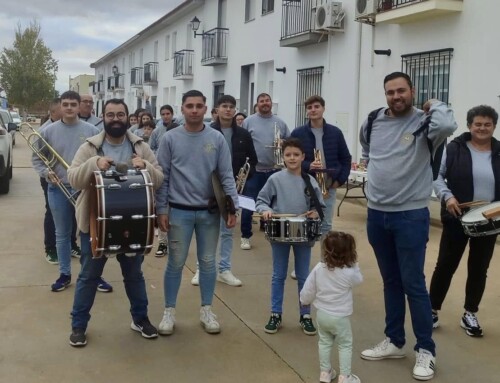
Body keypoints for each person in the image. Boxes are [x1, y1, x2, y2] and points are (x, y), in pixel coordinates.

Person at [358, 72, 457, 381]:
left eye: (401, 91)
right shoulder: (374, 119)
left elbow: (448, 125)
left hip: (410, 215)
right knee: (390, 282)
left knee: (413, 283)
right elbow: (366, 147)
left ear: (412, 91)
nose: (396, 96)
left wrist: (435, 103)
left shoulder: (426, 122)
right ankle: (395, 341)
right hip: (376, 214)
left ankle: (425, 349)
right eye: (390, 92)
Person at [67, 98, 164, 347]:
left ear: (127, 117)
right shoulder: (90, 147)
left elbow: (160, 177)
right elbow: (73, 179)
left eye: (120, 114)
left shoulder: (141, 146)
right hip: (96, 225)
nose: (115, 119)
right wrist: (92, 164)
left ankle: (140, 319)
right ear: (103, 117)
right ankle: (78, 326)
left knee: (134, 275)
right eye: (110, 115)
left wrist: (147, 168)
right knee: (89, 276)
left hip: (134, 224)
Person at [156, 90, 238, 335]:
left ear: (205, 109)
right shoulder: (169, 139)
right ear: (182, 109)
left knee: (208, 262)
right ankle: (169, 311)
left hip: (209, 213)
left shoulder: (217, 139)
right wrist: (162, 209)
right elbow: (164, 176)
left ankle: (206, 310)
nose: (194, 110)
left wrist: (232, 207)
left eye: (198, 106)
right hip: (179, 212)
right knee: (175, 263)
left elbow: (226, 175)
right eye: (189, 106)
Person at [32, 91, 113, 293]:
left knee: (90, 233)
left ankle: (94, 275)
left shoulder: (90, 130)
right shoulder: (48, 131)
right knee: (62, 234)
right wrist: (45, 172)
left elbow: (102, 155)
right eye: (65, 104)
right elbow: (36, 158)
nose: (69, 108)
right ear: (60, 106)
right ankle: (65, 274)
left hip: (85, 189)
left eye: (73, 104)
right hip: (57, 188)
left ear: (79, 107)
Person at [429, 105, 499, 338]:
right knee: (445, 266)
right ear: (470, 125)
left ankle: (470, 313)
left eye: (487, 124)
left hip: (489, 220)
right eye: (477, 124)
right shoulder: (454, 148)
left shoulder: (499, 151)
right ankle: (432, 309)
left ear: (494, 127)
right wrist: (447, 197)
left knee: (479, 269)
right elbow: (437, 177)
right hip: (457, 216)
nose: (482, 128)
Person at [256, 137, 325, 335]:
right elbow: (261, 201)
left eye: (296, 155)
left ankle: (305, 315)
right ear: (283, 157)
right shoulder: (275, 179)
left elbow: (319, 206)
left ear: (303, 157)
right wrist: (266, 210)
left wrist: (314, 212)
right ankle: (275, 313)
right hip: (279, 234)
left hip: (303, 235)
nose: (292, 158)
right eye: (288, 155)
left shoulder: (309, 180)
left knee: (304, 276)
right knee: (278, 275)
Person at [191, 95, 257, 287]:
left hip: (232, 188)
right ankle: (200, 269)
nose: (228, 110)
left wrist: (242, 180)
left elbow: (252, 160)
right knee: (205, 230)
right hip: (209, 187)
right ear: (216, 110)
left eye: (231, 107)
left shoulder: (244, 134)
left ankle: (224, 269)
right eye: (224, 106)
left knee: (228, 231)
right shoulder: (206, 131)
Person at [300, 231, 363, 383]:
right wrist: (355, 265)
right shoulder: (349, 272)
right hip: (340, 316)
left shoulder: (319, 267)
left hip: (322, 314)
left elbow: (309, 289)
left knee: (324, 342)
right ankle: (345, 376)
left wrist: (304, 300)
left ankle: (325, 373)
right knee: (345, 345)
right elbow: (359, 280)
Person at [291, 95, 352, 235]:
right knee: (304, 223)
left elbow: (346, 159)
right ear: (306, 111)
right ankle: (304, 257)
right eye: (309, 107)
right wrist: (308, 165)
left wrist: (339, 180)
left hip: (328, 186)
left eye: (317, 106)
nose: (313, 110)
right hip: (304, 186)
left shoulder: (335, 132)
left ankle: (324, 258)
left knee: (325, 225)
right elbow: (290, 158)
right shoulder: (297, 133)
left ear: (323, 109)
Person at [241, 93, 290, 250]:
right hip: (255, 170)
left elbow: (290, 142)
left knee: (275, 204)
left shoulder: (280, 123)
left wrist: (283, 143)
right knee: (249, 204)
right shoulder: (248, 121)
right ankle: (245, 236)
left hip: (274, 169)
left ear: (271, 103)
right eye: (261, 101)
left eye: (267, 101)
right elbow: (241, 141)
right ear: (257, 104)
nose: (265, 103)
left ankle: (275, 232)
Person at [149, 104, 180, 257]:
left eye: (168, 113)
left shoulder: (181, 130)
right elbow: (151, 148)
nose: (166, 116)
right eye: (163, 113)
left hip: (179, 180)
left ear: (172, 114)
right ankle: (162, 242)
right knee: (162, 209)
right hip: (162, 173)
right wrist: (161, 154)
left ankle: (176, 242)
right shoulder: (157, 131)